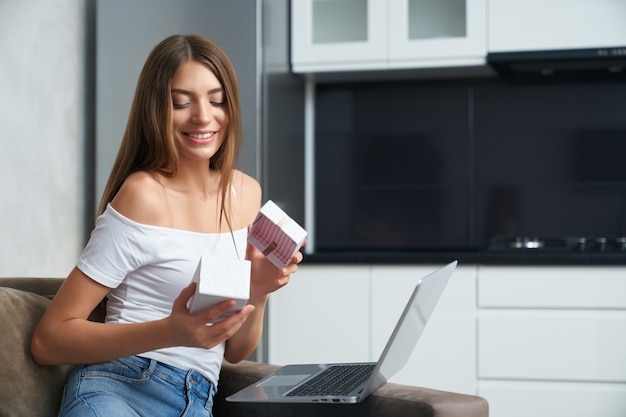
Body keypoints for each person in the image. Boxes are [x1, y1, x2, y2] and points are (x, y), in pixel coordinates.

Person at [31, 34, 303, 417]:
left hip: (196, 401)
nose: (203, 117)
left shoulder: (245, 194)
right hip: (119, 387)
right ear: (156, 110)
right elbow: (49, 340)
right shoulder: (143, 194)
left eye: (216, 99)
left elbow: (236, 350)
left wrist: (257, 291)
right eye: (181, 102)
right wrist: (171, 331)